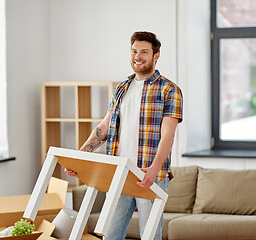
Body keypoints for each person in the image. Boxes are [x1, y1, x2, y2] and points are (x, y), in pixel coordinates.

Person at [65, 31, 183, 240]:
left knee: (150, 236)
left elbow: (168, 135)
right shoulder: (121, 88)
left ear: (156, 56)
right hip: (118, 174)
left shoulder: (169, 90)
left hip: (148, 175)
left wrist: (154, 169)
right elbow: (104, 128)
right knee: (110, 234)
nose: (138, 56)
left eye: (144, 52)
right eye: (134, 51)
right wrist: (80, 157)